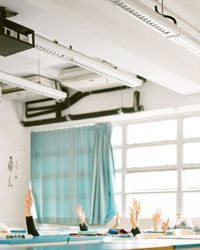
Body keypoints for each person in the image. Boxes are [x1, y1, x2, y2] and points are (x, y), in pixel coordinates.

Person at [77, 198, 141, 237]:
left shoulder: (128, 235)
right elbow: (109, 232)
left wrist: (136, 217)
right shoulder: (120, 233)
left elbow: (137, 234)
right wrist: (116, 225)